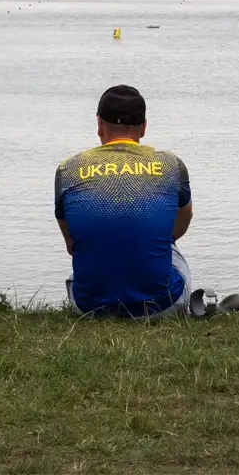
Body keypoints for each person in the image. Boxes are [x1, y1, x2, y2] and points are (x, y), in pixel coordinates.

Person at [55, 85, 193, 317]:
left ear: (99, 125)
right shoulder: (172, 166)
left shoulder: (68, 169)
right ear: (144, 127)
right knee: (167, 246)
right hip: (163, 305)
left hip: (89, 307)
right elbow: (183, 219)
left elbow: (72, 244)